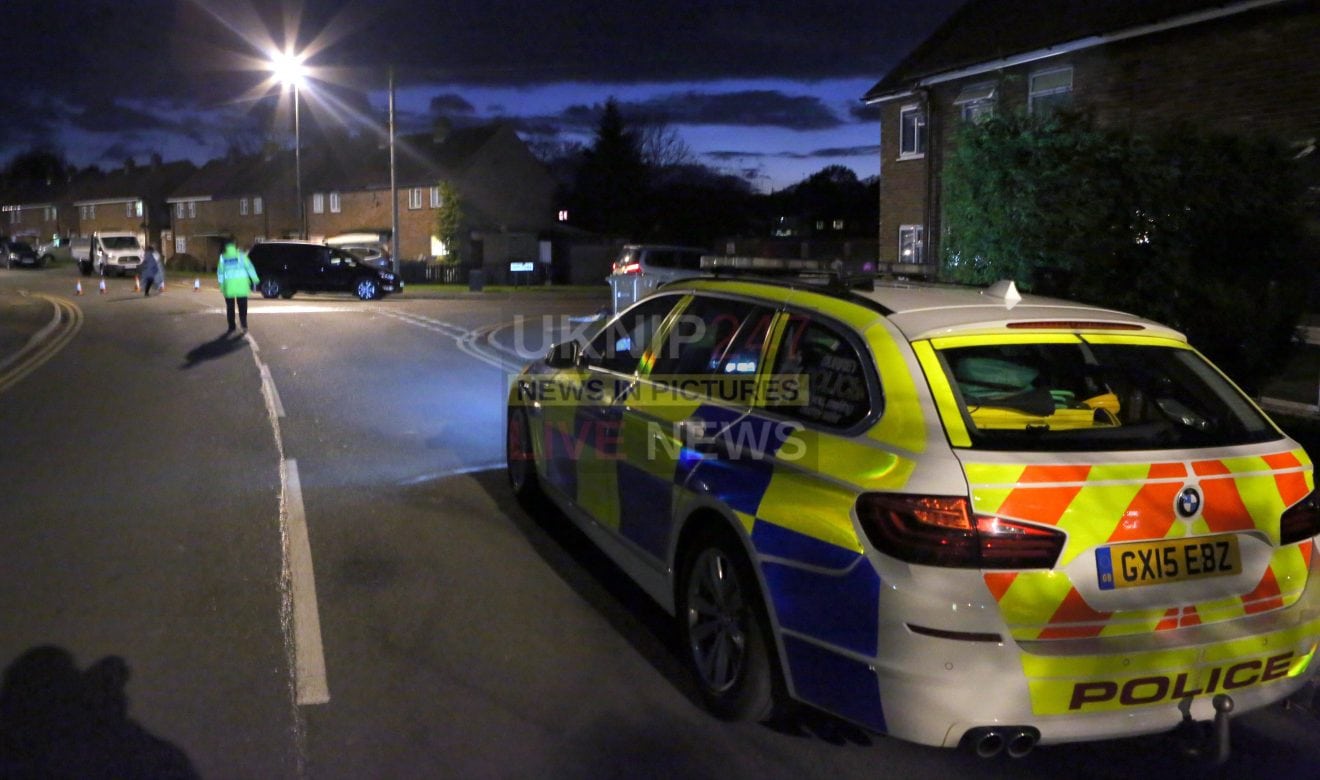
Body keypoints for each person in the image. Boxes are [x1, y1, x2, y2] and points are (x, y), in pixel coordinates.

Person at [216, 240, 259, 333]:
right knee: (242, 307)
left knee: (230, 307)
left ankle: (232, 326)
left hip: (229, 287)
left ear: (226, 248)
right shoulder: (242, 256)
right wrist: (255, 280)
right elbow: (250, 268)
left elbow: (220, 273)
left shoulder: (223, 258)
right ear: (235, 247)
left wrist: (220, 284)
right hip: (242, 286)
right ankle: (244, 324)